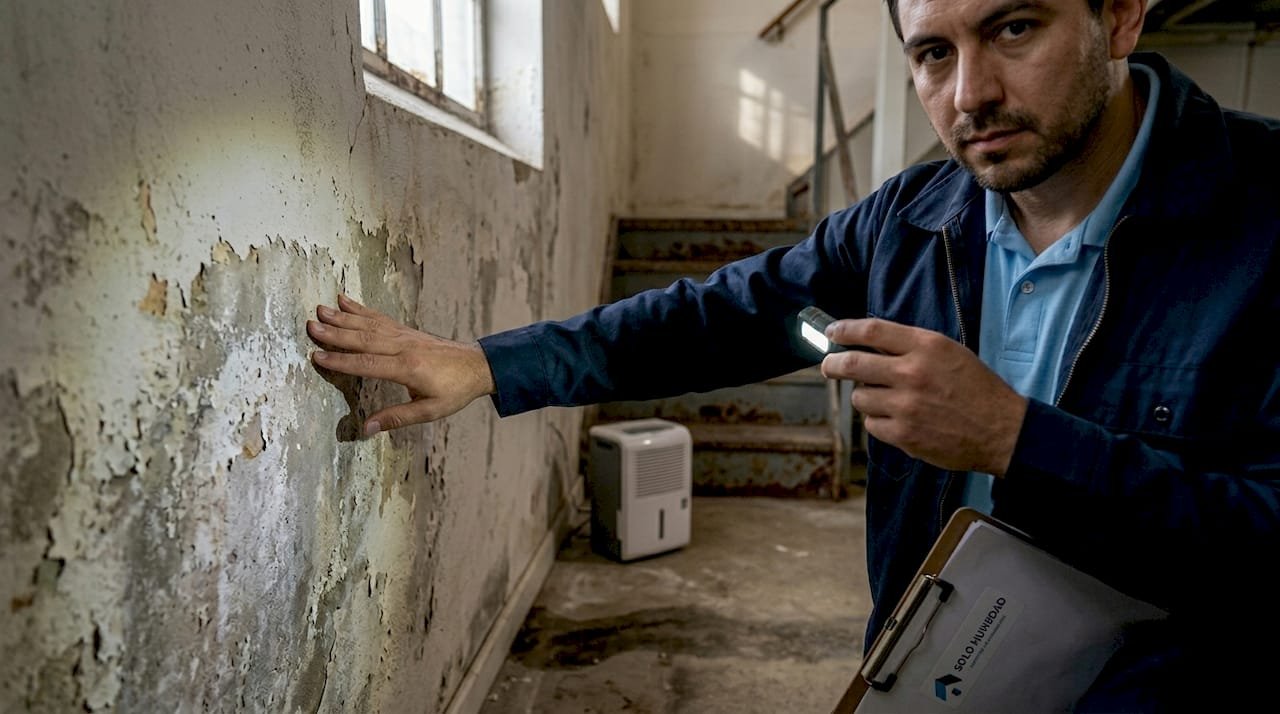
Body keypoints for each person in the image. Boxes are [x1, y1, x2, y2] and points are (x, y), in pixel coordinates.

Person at [309, 0, 1280, 709]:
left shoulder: (1266, 217)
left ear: (1117, 15)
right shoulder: (909, 219)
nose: (969, 93)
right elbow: (717, 315)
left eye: (1013, 28)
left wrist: (1014, 440)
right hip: (934, 675)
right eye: (932, 53)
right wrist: (484, 365)